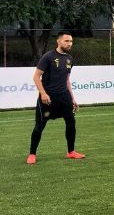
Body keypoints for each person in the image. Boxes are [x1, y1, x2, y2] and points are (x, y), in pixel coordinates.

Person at [27, 31, 84, 165]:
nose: (69, 43)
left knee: (71, 123)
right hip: (48, 98)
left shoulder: (70, 59)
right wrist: (43, 93)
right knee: (39, 126)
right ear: (58, 41)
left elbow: (67, 80)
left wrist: (72, 98)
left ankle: (71, 152)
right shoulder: (48, 57)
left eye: (71, 41)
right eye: (66, 41)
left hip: (64, 98)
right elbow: (36, 77)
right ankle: (32, 154)